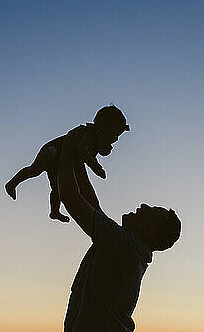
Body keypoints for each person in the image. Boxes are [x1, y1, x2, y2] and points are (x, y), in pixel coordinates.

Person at [57, 126, 182, 331]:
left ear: (150, 230)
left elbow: (70, 198)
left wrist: (68, 146)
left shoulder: (124, 245)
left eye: (150, 210)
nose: (143, 206)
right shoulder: (127, 248)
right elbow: (91, 204)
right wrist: (78, 159)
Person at [5, 105, 129, 222]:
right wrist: (96, 167)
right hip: (53, 151)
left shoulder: (98, 142)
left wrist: (101, 151)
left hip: (63, 162)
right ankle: (12, 183)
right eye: (114, 134)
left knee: (57, 187)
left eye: (117, 136)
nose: (115, 139)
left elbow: (89, 155)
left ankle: (54, 212)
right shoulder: (88, 133)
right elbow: (82, 150)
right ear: (102, 127)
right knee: (35, 170)